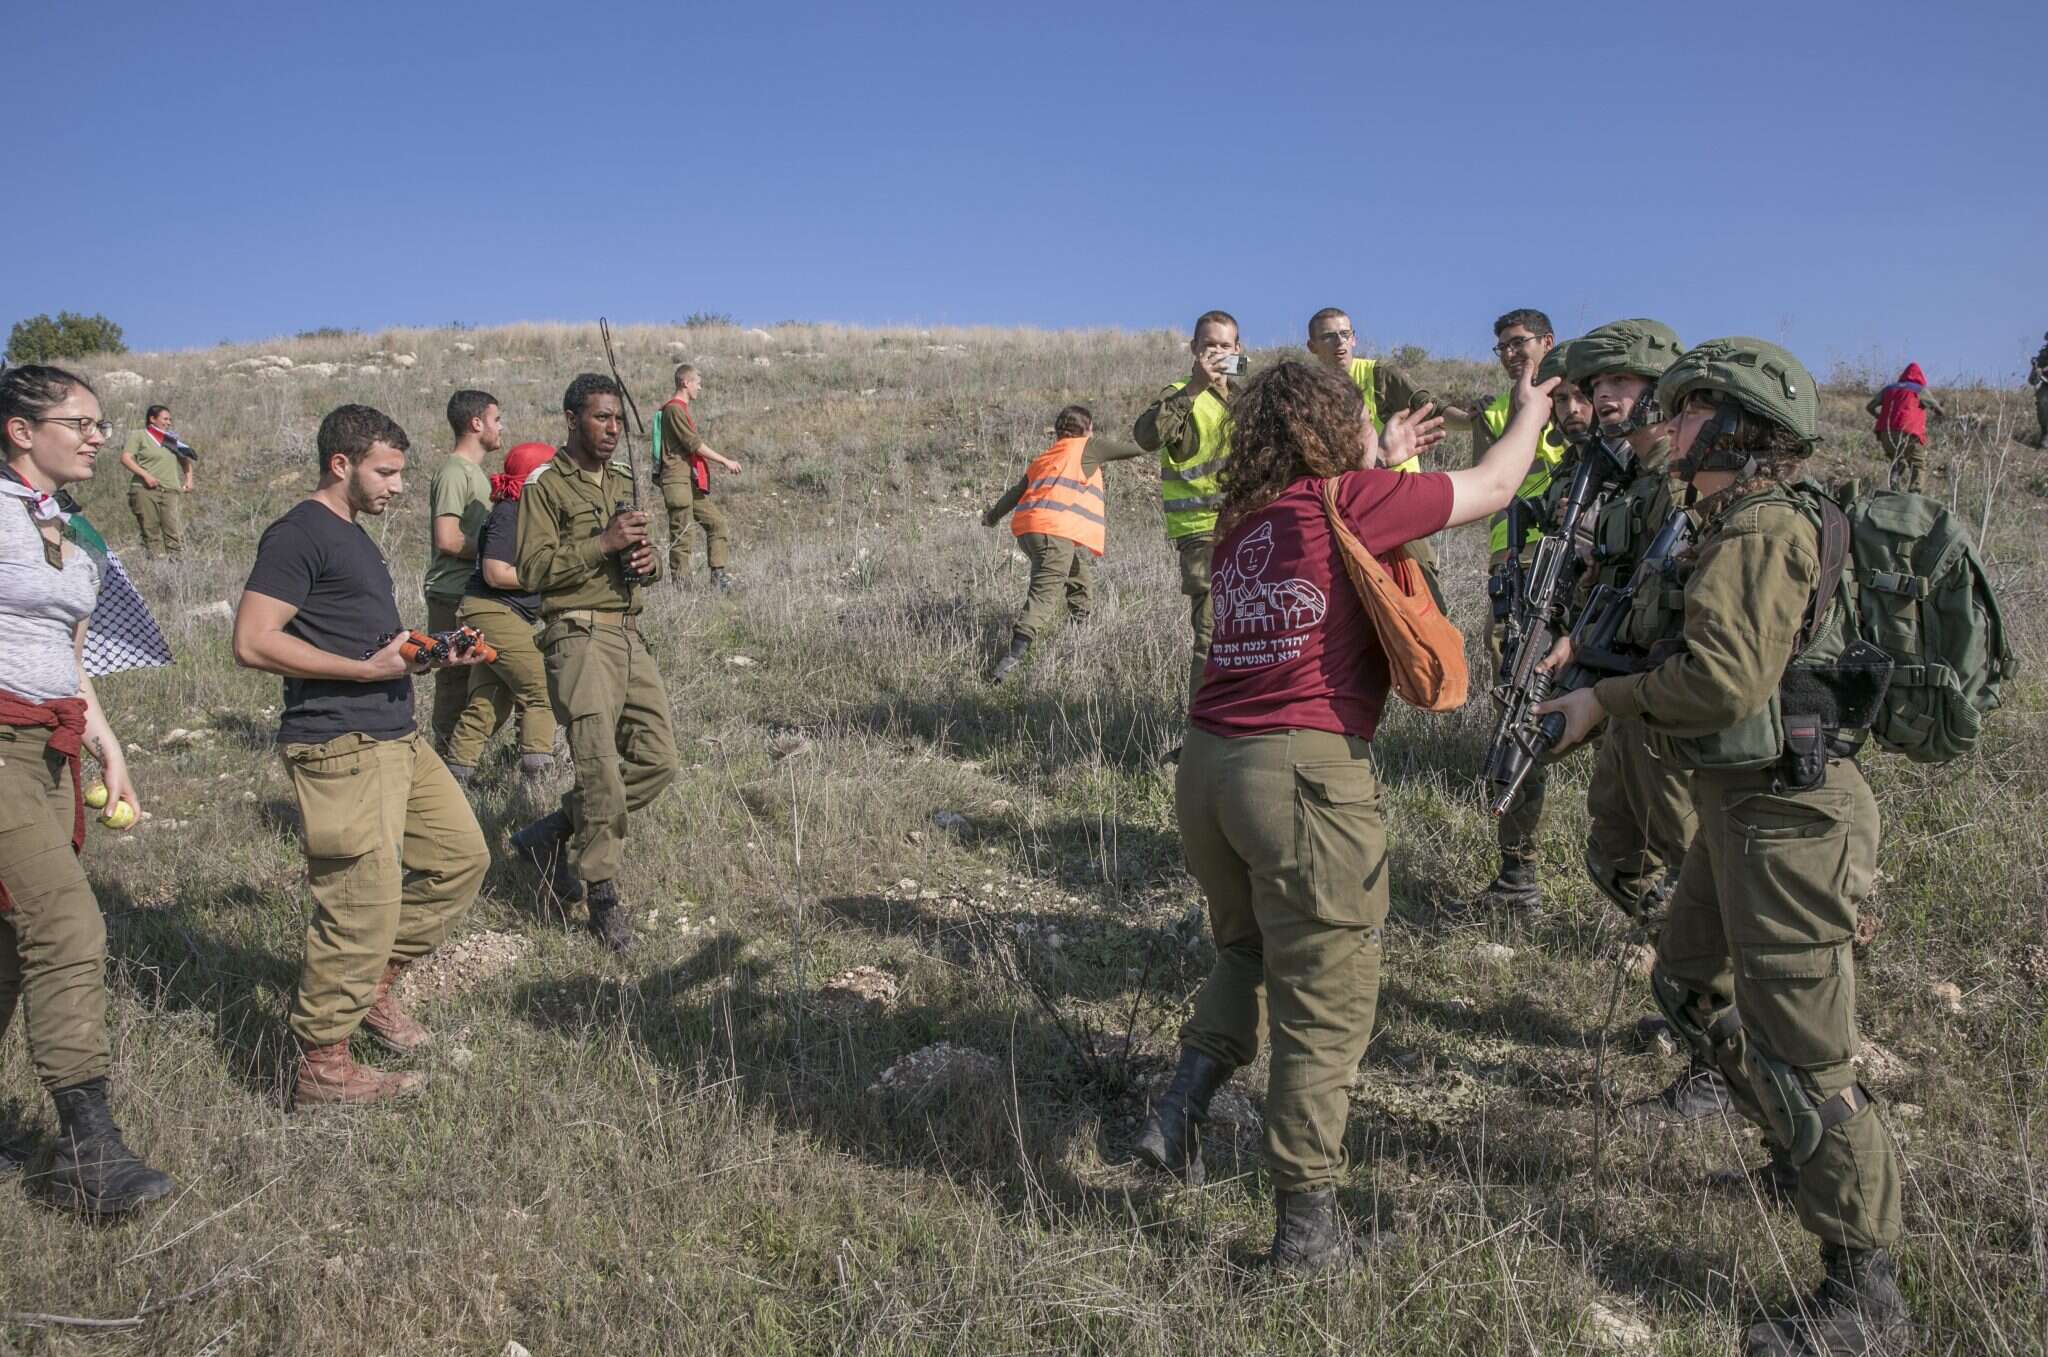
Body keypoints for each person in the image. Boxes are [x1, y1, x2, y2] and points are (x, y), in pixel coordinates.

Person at [1134, 357, 1555, 1272]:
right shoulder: (1355, 499)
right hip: (1299, 772)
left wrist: (1389, 456)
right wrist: (1526, 412)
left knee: (1245, 949)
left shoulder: (1250, 520)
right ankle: (1307, 1233)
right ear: (1334, 428)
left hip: (1207, 764)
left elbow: (1348, 529)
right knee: (1325, 994)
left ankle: (1179, 1111)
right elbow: (1496, 483)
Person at [1537, 338, 1912, 1356]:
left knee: (1805, 1056)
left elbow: (1718, 684)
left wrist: (1600, 702)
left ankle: (1861, 1294)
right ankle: (1792, 1151)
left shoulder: (1755, 528)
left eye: (1688, 409)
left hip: (1788, 822)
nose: (1667, 425)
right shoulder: (1719, 523)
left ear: (1741, 425)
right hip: (1738, 809)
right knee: (1686, 982)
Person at [233, 403, 491, 1107]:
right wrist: (365, 672)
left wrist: (426, 651)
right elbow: (253, 640)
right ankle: (323, 1062)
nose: (399, 486)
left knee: (462, 857)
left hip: (396, 734)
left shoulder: (354, 536)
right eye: (386, 471)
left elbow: (360, 638)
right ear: (340, 464)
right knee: (358, 901)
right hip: (340, 740)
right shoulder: (298, 534)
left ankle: (374, 986)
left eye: (402, 472)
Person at [0, 365, 173, 1214]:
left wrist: (107, 745)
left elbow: (66, 652)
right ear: (21, 430)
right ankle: (85, 1151)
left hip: (49, 748)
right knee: (66, 921)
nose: (100, 435)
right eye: (82, 421)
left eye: (102, 422)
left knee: (9, 936)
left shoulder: (67, 524)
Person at [509, 375, 679, 952]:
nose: (612, 429)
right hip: (577, 636)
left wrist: (644, 560)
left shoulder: (623, 481)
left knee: (658, 760)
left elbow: (642, 570)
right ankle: (602, 896)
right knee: (600, 767)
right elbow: (530, 571)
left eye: (617, 420)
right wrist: (602, 545)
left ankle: (557, 830)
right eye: (601, 418)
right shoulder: (546, 487)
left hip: (629, 636)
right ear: (572, 418)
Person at [1464, 339, 1598, 912]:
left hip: (1616, 640)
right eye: (1558, 399)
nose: (1568, 410)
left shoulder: (1645, 468)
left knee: (1644, 781)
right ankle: (1516, 879)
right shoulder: (1569, 470)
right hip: (1554, 627)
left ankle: (1663, 910)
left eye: (1578, 398)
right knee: (1521, 729)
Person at [1304, 308, 1457, 608]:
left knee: (1424, 600)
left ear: (1355, 338)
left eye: (1345, 334)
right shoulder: (1305, 396)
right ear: (1312, 346)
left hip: (1400, 503)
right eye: (1329, 336)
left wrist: (1471, 419)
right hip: (1342, 512)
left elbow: (1432, 409)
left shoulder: (1379, 376)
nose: (1340, 343)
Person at [981, 405, 1144, 680]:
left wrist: (992, 516)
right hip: (1053, 533)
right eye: (1091, 428)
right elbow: (1137, 449)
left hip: (1029, 532)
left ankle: (1079, 637)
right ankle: (1009, 663)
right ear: (1087, 428)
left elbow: (1015, 493)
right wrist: (1167, 431)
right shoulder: (1088, 448)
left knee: (1079, 579)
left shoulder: (1045, 458)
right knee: (1043, 594)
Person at [1133, 310, 1242, 703]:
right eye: (1208, 345)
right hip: (1203, 533)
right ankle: (1199, 737)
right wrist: (1195, 387)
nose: (1216, 352)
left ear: (1237, 350)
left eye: (1224, 346)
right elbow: (1147, 436)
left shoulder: (1246, 399)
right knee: (1214, 634)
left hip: (1252, 528)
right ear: (1194, 349)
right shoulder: (1180, 392)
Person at [445, 441, 559, 788]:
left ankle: (456, 777)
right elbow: (495, 572)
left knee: (488, 700)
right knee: (541, 686)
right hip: (494, 612)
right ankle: (538, 776)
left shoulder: (526, 510)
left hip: (493, 613)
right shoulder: (511, 512)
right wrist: (550, 575)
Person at [423, 390, 500, 751]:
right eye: (496, 419)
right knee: (455, 683)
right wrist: (494, 553)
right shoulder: (455, 472)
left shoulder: (474, 474)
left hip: (468, 591)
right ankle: (443, 762)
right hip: (452, 594)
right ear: (476, 423)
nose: (501, 427)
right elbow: (448, 539)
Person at [1474, 310, 1572, 572]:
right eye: (1502, 347)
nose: (1509, 354)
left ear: (1547, 342)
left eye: (1518, 343)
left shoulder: (1581, 395)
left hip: (1580, 533)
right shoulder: (1492, 411)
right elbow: (1481, 484)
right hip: (1515, 546)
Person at [657, 365, 741, 588]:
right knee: (683, 532)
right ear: (685, 383)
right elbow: (694, 444)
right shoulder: (674, 410)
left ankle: (718, 577)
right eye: (697, 383)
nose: (700, 387)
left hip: (688, 481)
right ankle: (681, 586)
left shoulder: (680, 409)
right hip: (676, 480)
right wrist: (725, 461)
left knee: (716, 523)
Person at [117, 403, 193, 558]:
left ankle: (177, 569)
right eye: (165, 419)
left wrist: (189, 479)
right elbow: (126, 458)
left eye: (170, 419)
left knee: (173, 531)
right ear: (152, 419)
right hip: (145, 490)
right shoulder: (139, 435)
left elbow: (185, 460)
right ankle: (154, 566)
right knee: (150, 531)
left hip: (170, 490)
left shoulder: (171, 440)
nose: (168, 422)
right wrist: (145, 475)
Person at [1864, 363, 1944, 492]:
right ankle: (1914, 495)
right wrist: (1939, 412)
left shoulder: (1888, 389)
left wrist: (1880, 417)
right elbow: (1939, 410)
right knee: (1918, 464)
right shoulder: (1919, 390)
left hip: (1886, 434)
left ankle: (1893, 490)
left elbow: (1869, 407)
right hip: (1909, 432)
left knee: (1897, 462)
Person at [2029, 334, 2048, 448]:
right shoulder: (2044, 355)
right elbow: (2032, 381)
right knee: (2043, 400)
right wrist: (2037, 372)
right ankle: (2046, 432)